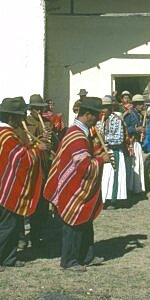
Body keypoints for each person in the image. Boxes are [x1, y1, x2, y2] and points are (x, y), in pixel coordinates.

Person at [45, 96, 111, 271]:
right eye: (97, 116)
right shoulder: (77, 136)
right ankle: (69, 260)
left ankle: (86, 255)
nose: (98, 119)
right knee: (74, 223)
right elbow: (84, 166)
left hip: (77, 186)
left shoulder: (79, 133)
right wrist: (101, 159)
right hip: (73, 188)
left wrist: (96, 152)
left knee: (85, 220)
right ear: (88, 115)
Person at [0, 97, 44, 271]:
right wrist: (37, 149)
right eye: (19, 117)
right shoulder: (6, 135)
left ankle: (9, 256)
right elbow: (21, 159)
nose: (22, 120)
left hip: (5, 186)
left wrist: (31, 146)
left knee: (15, 223)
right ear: (11, 119)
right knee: (6, 224)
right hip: (7, 189)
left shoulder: (0, 134)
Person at [24, 94, 55, 250]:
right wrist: (39, 139)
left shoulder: (48, 122)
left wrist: (50, 139)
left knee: (44, 202)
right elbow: (26, 144)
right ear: (31, 109)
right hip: (33, 167)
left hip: (45, 165)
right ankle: (27, 237)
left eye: (40, 108)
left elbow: (54, 142)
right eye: (36, 108)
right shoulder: (26, 122)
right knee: (32, 202)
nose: (38, 111)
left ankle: (39, 234)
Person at [99, 96, 128, 206]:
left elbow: (120, 138)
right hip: (102, 152)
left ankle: (113, 200)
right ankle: (103, 199)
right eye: (102, 108)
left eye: (105, 108)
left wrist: (105, 139)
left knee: (113, 176)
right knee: (103, 176)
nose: (103, 110)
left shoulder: (116, 120)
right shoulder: (99, 120)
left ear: (110, 108)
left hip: (114, 151)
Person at [123, 94, 147, 195]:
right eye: (140, 104)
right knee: (132, 166)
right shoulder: (129, 114)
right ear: (136, 104)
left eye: (142, 103)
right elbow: (125, 129)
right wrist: (136, 129)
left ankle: (137, 187)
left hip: (137, 142)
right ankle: (130, 188)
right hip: (131, 143)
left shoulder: (138, 114)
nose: (142, 106)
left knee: (138, 165)